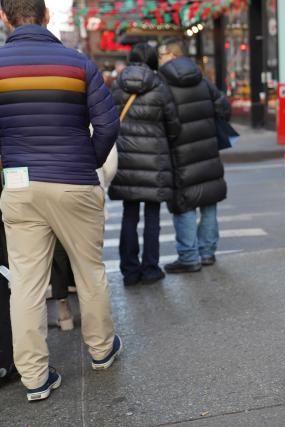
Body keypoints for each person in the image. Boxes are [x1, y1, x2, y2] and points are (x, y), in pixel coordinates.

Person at [0, 0, 122, 401]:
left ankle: (35, 378)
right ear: (46, 15)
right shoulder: (78, 63)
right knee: (89, 270)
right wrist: (86, 161)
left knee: (26, 283)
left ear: (4, 17)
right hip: (73, 180)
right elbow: (107, 124)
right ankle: (102, 351)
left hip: (19, 185)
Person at [109, 43, 181, 286]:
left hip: (126, 159)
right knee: (152, 216)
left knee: (129, 214)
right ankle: (150, 268)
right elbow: (173, 124)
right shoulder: (159, 85)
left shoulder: (117, 85)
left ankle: (129, 270)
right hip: (155, 159)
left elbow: (107, 120)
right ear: (152, 60)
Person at [157, 38, 230, 273]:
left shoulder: (162, 83)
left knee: (184, 203)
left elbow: (163, 119)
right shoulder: (203, 79)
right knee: (208, 200)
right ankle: (207, 252)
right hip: (207, 150)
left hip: (179, 153)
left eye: (161, 55)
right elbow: (224, 109)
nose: (159, 59)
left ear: (171, 55)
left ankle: (189, 257)